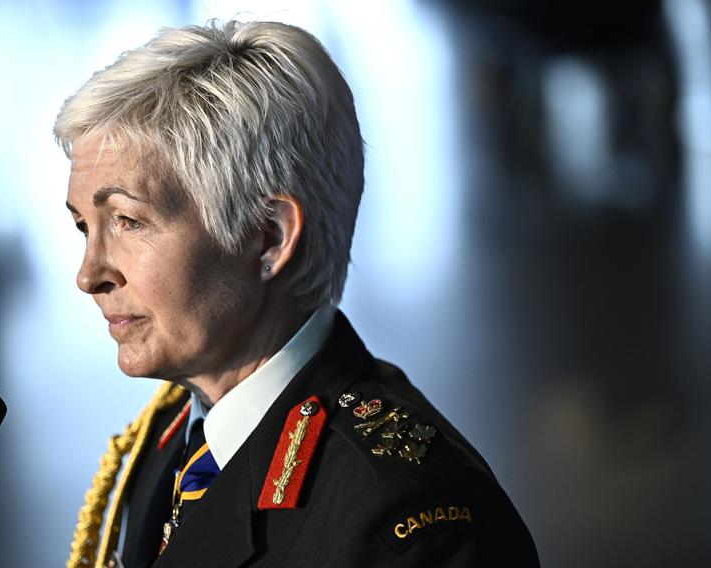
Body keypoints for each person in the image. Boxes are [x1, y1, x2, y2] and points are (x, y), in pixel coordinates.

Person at [55, 20, 539, 568]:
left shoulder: (406, 529)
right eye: (83, 227)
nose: (89, 274)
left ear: (269, 238)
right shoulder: (173, 438)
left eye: (127, 221)